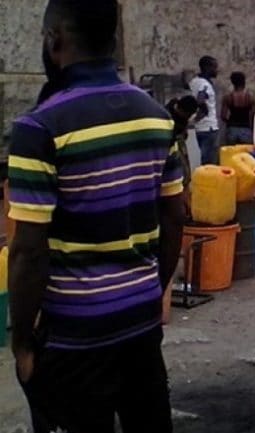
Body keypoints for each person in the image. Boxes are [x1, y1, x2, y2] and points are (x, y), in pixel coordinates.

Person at [8, 1, 185, 432]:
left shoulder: (39, 127)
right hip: (141, 326)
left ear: (54, 40)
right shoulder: (157, 118)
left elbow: (28, 253)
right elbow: (175, 218)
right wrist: (151, 292)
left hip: (74, 340)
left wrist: (22, 344)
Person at [165, 95, 199, 211]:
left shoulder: (179, 108)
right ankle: (183, 207)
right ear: (181, 110)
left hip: (180, 143)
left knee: (186, 175)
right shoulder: (167, 117)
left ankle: (187, 205)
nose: (189, 118)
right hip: (171, 145)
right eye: (188, 115)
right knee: (181, 176)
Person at [189, 55, 220, 165]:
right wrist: (204, 112)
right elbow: (200, 99)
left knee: (205, 159)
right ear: (207, 67)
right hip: (209, 128)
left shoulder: (194, 81)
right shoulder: (204, 84)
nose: (217, 70)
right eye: (214, 67)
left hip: (200, 128)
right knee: (210, 162)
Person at [220, 72, 255, 145]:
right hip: (245, 128)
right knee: (245, 151)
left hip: (232, 129)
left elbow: (223, 116)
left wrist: (229, 122)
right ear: (244, 82)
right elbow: (253, 115)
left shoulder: (228, 97)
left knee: (231, 151)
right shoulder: (249, 97)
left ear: (233, 82)